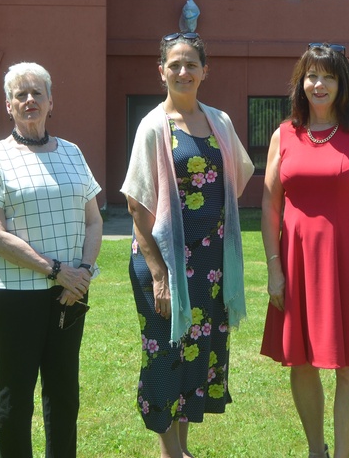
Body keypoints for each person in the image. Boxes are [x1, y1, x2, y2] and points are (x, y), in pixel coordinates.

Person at [121, 32, 254, 458]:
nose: (183, 71)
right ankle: (169, 451)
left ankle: (181, 448)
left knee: (196, 349)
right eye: (174, 64)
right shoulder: (152, 127)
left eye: (191, 64)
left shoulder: (220, 121)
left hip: (210, 263)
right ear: (161, 71)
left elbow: (237, 174)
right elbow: (136, 204)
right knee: (164, 353)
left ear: (204, 71)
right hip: (162, 262)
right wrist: (160, 274)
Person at [0, 62, 103, 458]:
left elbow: (93, 219)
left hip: (69, 295)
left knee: (64, 395)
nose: (29, 100)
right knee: (16, 395)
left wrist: (83, 275)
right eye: (20, 94)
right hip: (16, 295)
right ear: (8, 105)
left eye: (36, 93)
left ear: (50, 101)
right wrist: (56, 270)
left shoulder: (73, 153)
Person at [259, 43, 349, 458]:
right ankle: (317, 449)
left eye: (328, 76)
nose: (319, 85)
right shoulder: (284, 134)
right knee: (300, 361)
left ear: (342, 83)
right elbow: (270, 203)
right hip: (295, 261)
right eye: (312, 76)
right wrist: (274, 268)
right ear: (301, 82)